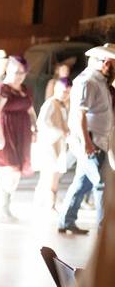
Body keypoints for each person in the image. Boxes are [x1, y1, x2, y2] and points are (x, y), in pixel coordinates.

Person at [58, 44, 115, 234]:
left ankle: (66, 221)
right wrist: (87, 143)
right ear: (107, 63)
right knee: (102, 183)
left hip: (98, 140)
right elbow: (80, 114)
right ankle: (103, 230)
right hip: (91, 141)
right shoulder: (88, 81)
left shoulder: (100, 81)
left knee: (82, 182)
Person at [0, 56, 36, 220]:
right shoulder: (4, 89)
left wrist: (35, 127)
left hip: (22, 132)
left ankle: (4, 206)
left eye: (23, 73)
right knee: (8, 169)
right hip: (6, 130)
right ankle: (0, 207)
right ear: (9, 70)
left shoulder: (25, 89)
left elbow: (31, 110)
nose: (20, 76)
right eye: (17, 72)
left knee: (17, 170)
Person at [34, 78, 72, 211]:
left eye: (68, 92)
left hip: (59, 143)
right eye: (63, 91)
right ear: (56, 88)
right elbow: (42, 122)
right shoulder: (50, 103)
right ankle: (48, 204)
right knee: (50, 174)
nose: (65, 95)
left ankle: (46, 202)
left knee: (52, 174)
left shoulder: (63, 105)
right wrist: (59, 131)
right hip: (49, 144)